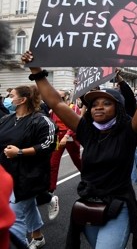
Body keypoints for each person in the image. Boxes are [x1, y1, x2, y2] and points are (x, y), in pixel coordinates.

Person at [22, 50, 137, 249]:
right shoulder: (87, 131)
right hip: (88, 206)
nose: (98, 107)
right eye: (94, 104)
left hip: (118, 206)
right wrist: (36, 69)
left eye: (106, 103)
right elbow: (56, 102)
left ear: (118, 109)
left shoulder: (129, 131)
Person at [0, 85, 57, 249]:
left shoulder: (42, 120)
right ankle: (38, 237)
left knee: (14, 216)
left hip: (29, 176)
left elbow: (48, 145)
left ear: (23, 100)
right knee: (29, 206)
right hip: (7, 175)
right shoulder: (6, 120)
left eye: (11, 95)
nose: (8, 98)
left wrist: (20, 153)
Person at [46, 90, 83, 220]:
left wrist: (66, 136)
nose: (58, 97)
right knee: (53, 163)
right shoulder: (54, 108)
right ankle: (51, 190)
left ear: (66, 96)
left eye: (61, 95)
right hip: (58, 137)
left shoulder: (74, 107)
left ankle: (87, 177)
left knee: (77, 160)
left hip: (70, 137)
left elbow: (75, 123)